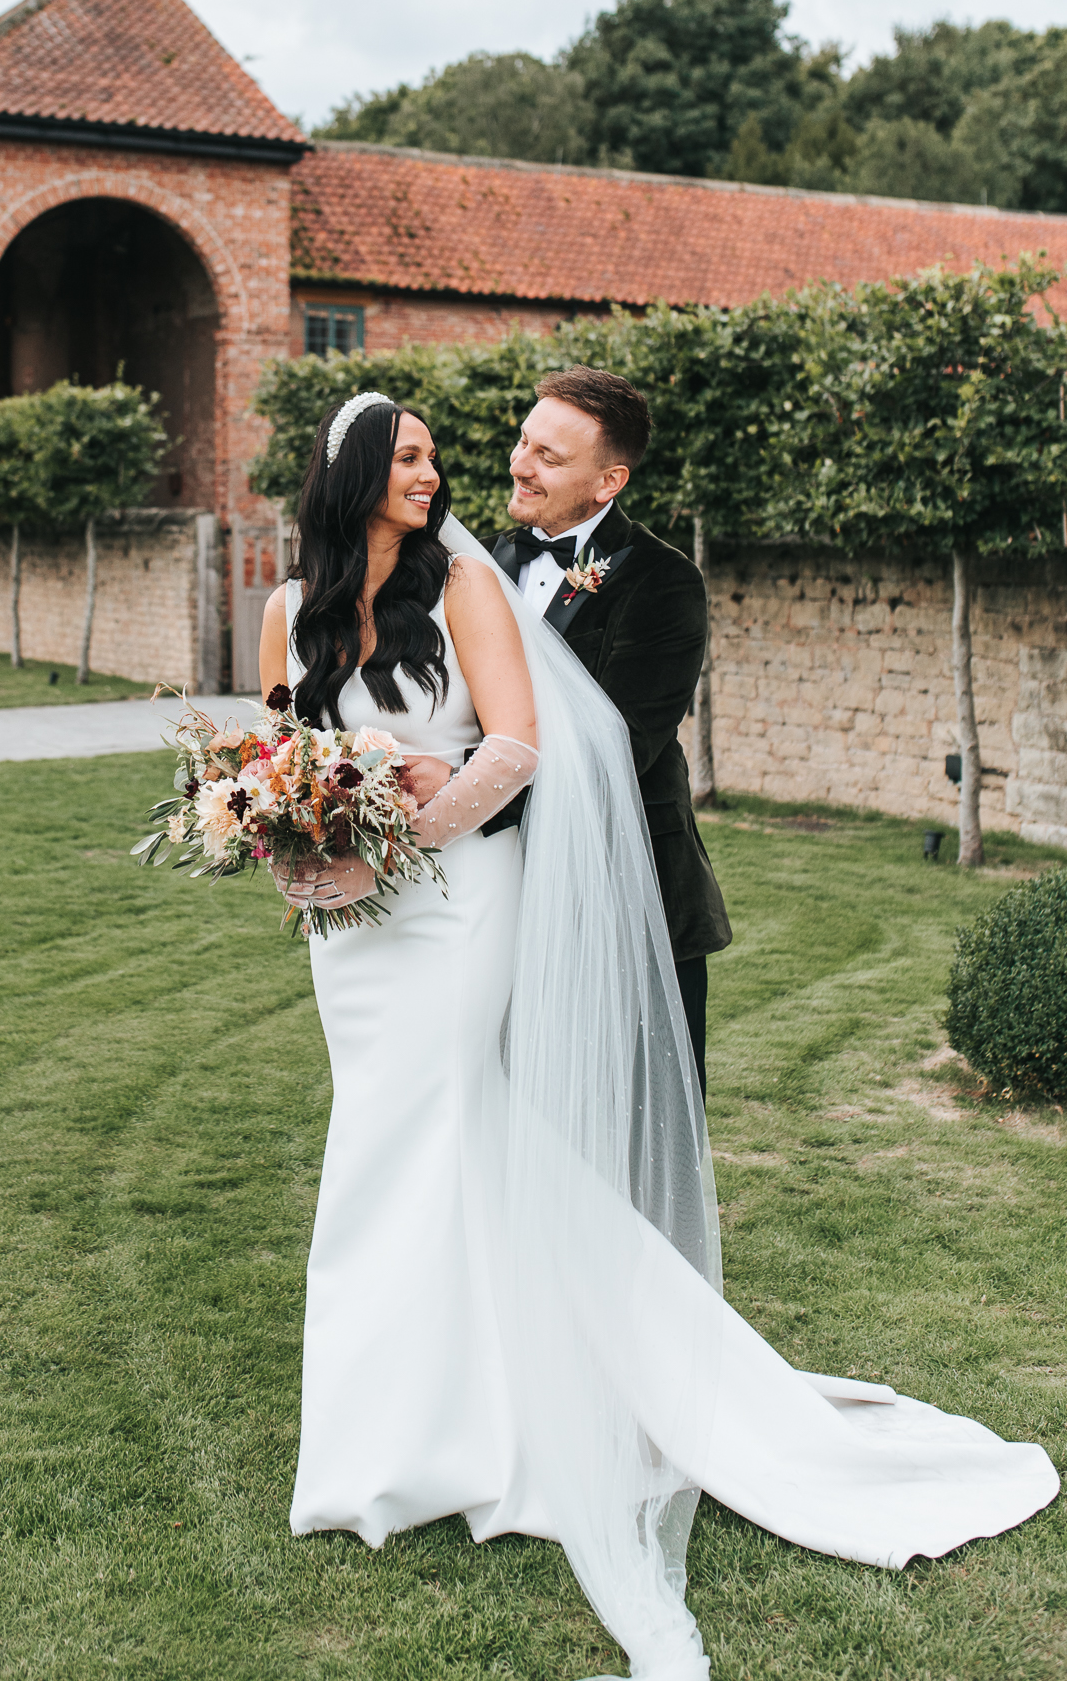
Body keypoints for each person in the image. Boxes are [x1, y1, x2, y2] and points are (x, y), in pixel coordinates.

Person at [261, 388, 1057, 1681]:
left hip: (485, 902)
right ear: (347, 475)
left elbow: (564, 747)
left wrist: (401, 834)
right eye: (430, 452)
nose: (475, 465)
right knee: (423, 1154)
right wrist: (298, 848)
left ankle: (539, 1414)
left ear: (610, 475)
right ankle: (406, 1430)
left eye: (536, 451)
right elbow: (289, 758)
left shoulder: (590, 583)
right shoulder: (337, 593)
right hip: (359, 941)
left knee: (467, 1132)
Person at [491, 365, 728, 1100]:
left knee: (642, 1120)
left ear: (608, 482)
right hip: (502, 887)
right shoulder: (490, 561)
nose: (521, 466)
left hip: (631, 892)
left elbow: (615, 749)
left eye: (549, 458)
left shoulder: (663, 582)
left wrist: (462, 793)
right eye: (524, 442)